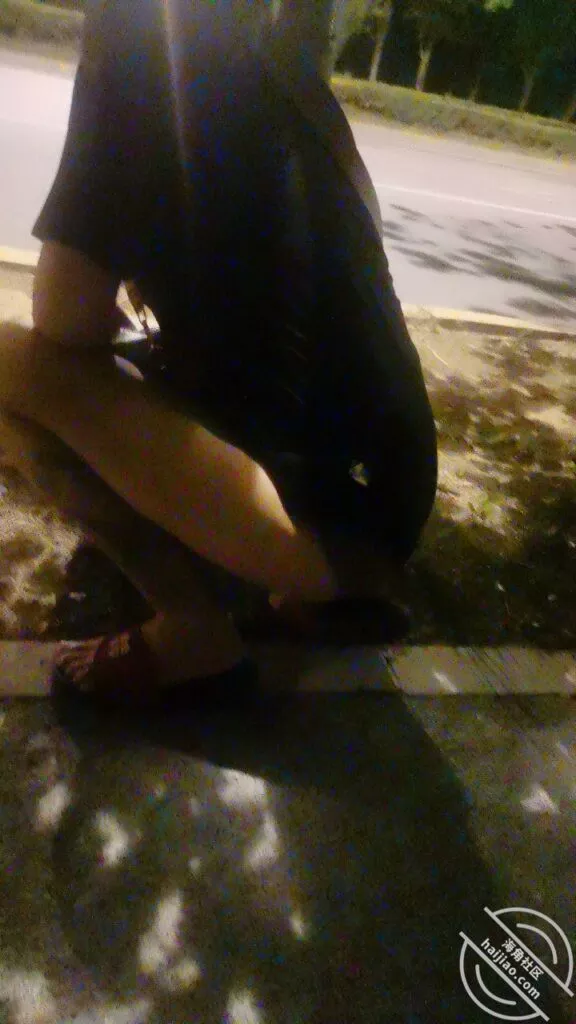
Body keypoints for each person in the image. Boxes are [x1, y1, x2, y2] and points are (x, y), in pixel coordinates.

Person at [0, 0, 437, 706]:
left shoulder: (139, 26)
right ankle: (313, 591)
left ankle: (194, 629)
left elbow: (65, 319)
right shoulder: (273, 54)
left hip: (325, 529)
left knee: (9, 367)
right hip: (393, 498)